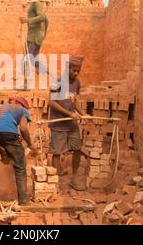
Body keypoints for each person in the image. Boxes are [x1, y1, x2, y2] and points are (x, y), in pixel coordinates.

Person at [48, 55, 87, 191]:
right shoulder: (57, 81)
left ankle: (74, 179)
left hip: (72, 124)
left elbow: (74, 101)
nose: (76, 73)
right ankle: (54, 183)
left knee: (77, 149)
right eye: (73, 70)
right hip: (58, 124)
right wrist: (70, 114)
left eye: (78, 71)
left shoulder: (77, 83)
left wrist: (83, 114)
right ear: (67, 68)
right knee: (57, 152)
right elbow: (51, 102)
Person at [19, 0, 49, 75]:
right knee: (33, 58)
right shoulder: (32, 4)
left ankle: (25, 80)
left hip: (35, 36)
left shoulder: (37, 4)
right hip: (32, 34)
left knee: (26, 58)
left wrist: (27, 20)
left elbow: (43, 17)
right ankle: (44, 70)